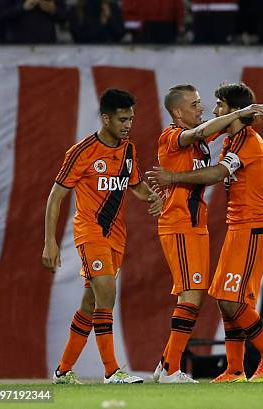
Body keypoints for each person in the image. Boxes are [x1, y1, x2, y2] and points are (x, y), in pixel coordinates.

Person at [147, 83, 263, 383]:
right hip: (190, 224)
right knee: (210, 297)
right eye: (197, 104)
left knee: (226, 299)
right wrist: (248, 114)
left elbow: (217, 171)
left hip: (250, 227)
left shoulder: (244, 142)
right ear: (177, 111)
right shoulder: (177, 135)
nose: (209, 110)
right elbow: (207, 130)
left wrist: (253, 115)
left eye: (216, 105)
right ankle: (198, 367)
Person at [42, 88, 163, 384]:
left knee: (89, 304)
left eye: (131, 119)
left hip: (117, 236)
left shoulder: (129, 150)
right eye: (123, 119)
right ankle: (112, 371)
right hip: (90, 232)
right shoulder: (82, 152)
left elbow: (134, 186)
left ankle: (62, 371)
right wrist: (50, 242)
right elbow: (56, 196)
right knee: (107, 293)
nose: (128, 125)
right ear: (106, 118)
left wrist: (153, 197)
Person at [0, 0, 66, 43]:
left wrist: (53, 10)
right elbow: (0, 15)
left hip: (47, 45)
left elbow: (64, 16)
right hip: (17, 46)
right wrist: (22, 7)